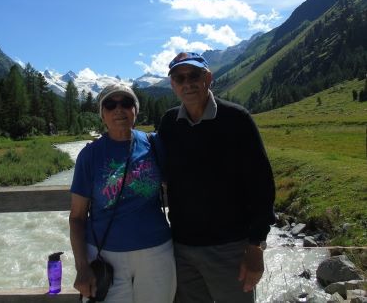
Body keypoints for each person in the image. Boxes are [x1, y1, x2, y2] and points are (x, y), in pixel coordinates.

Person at [158, 52, 276, 303]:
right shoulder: (169, 123)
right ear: (173, 85)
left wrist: (256, 245)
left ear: (208, 77)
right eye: (179, 78)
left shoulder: (237, 119)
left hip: (230, 249)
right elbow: (159, 170)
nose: (187, 82)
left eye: (194, 75)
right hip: (181, 248)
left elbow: (262, 184)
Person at [69, 83, 176, 303]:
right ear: (102, 114)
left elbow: (180, 187)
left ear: (135, 110)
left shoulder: (153, 144)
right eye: (110, 104)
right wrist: (82, 267)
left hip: (156, 253)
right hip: (105, 256)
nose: (119, 109)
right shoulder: (89, 156)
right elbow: (77, 217)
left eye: (126, 103)